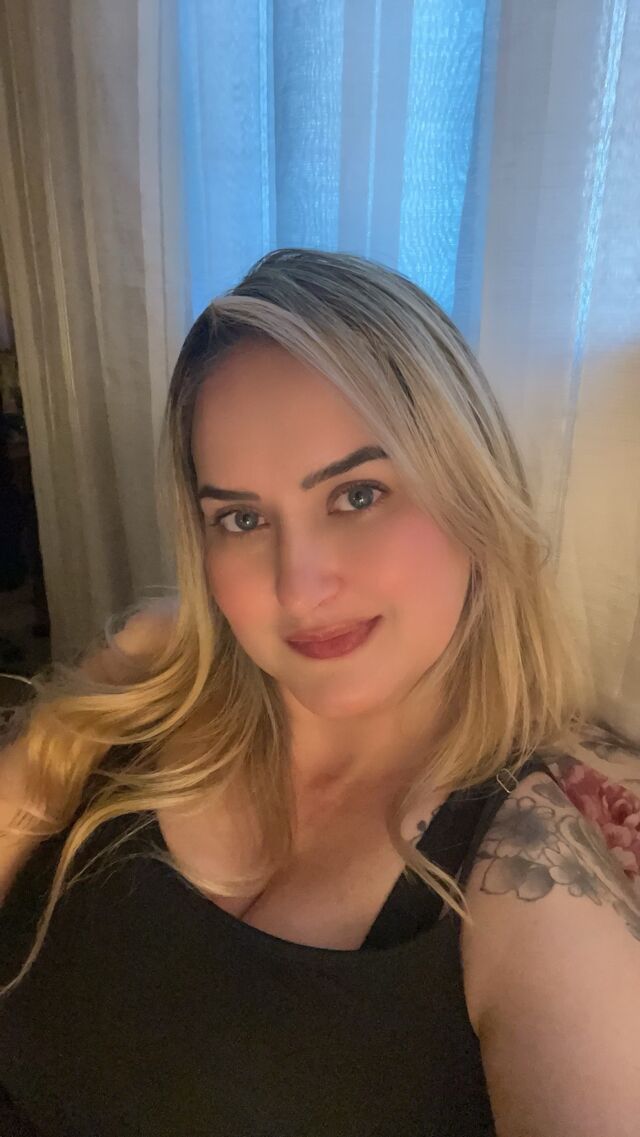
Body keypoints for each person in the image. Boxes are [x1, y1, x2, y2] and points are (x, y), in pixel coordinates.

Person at [0, 247, 638, 1136]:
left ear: (473, 496)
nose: (298, 587)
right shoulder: (141, 695)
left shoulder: (526, 883)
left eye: (358, 494)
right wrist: (131, 658)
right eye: (241, 518)